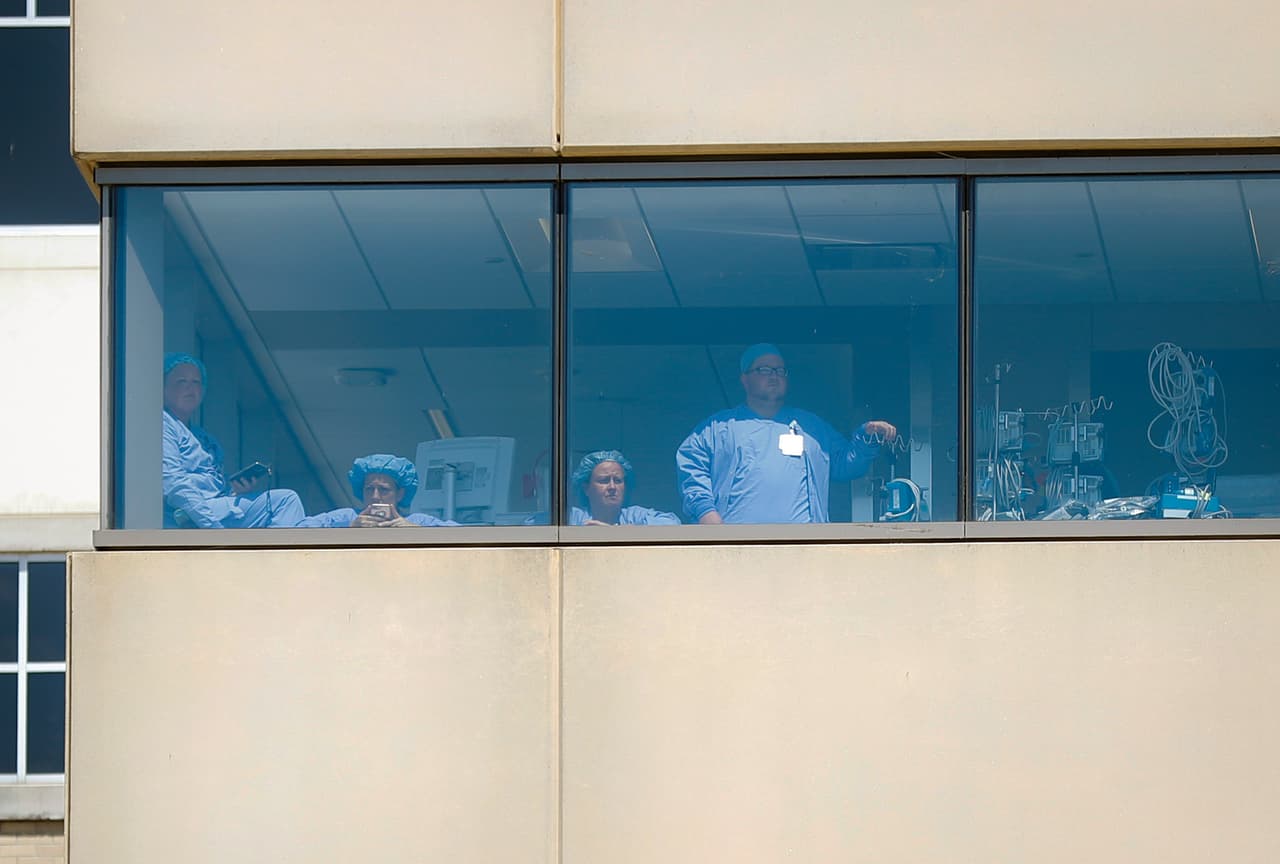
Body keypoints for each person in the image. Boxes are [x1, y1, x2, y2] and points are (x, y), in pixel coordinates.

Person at [676, 343, 898, 524]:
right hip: (737, 547)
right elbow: (691, 465)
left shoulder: (811, 427)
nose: (774, 376)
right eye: (764, 370)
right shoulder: (719, 427)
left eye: (780, 370)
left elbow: (845, 465)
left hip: (803, 547)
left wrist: (867, 437)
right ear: (745, 379)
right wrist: (707, 513)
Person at [162, 353, 305, 528]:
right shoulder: (163, 424)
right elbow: (173, 483)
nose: (190, 388)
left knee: (309, 520)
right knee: (285, 501)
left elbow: (215, 488)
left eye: (196, 382)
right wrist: (213, 528)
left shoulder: (204, 438)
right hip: (187, 515)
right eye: (182, 381)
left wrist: (236, 492)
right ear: (163, 388)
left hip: (214, 508)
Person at [298, 454, 459, 528]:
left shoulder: (418, 521)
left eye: (383, 490)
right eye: (369, 489)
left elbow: (463, 536)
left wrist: (415, 533)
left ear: (400, 493)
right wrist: (349, 531)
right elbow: (297, 532)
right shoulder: (346, 517)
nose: (375, 496)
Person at [570, 450, 681, 526]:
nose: (612, 487)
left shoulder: (635, 516)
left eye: (618, 481)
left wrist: (618, 532)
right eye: (604, 481)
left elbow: (672, 524)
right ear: (586, 489)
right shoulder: (572, 518)